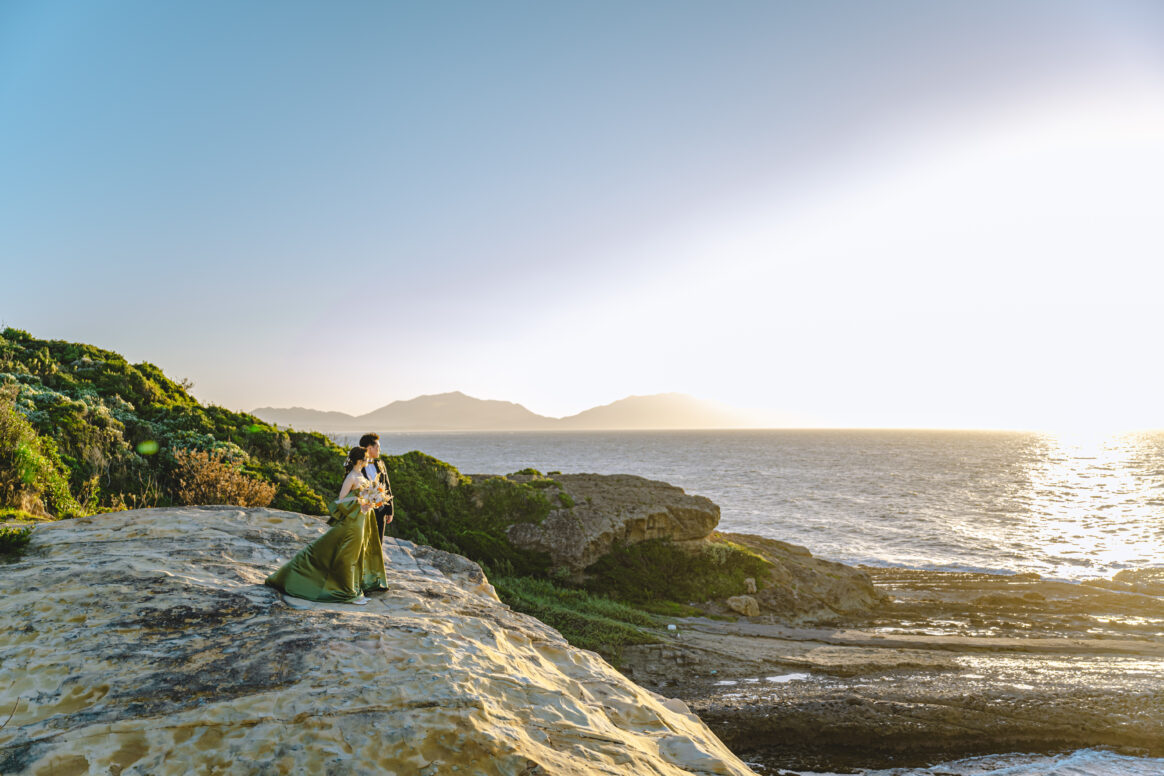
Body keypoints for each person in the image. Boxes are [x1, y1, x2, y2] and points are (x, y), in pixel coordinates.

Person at [265, 447, 389, 604]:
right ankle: (348, 592)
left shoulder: (361, 476)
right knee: (347, 556)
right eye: (366, 458)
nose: (368, 461)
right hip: (353, 523)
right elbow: (342, 500)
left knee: (358, 555)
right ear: (359, 461)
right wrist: (360, 503)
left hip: (363, 520)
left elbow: (362, 498)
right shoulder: (351, 477)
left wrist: (371, 502)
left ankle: (355, 587)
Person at [359, 432, 394, 540]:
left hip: (380, 509)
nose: (379, 450)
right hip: (363, 510)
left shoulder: (380, 463)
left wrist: (389, 510)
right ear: (369, 448)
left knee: (378, 540)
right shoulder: (357, 464)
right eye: (377, 447)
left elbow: (387, 486)